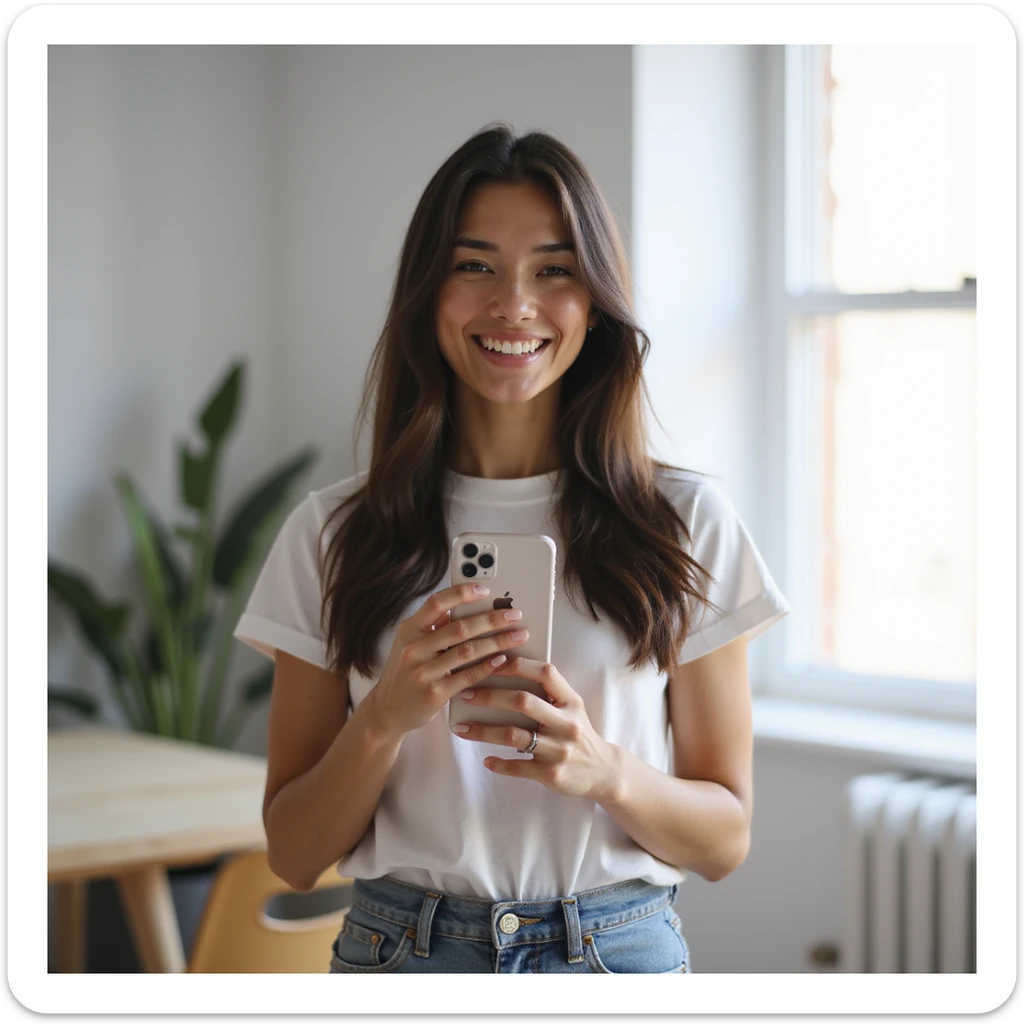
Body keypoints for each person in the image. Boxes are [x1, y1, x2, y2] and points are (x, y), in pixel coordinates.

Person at [234, 124, 790, 974]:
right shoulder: (332, 532)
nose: (514, 304)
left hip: (616, 955)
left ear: (596, 298)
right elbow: (295, 853)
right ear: (428, 291)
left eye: (554, 270)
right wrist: (383, 716)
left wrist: (605, 771)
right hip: (401, 954)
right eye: (475, 265)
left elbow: (724, 840)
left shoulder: (683, 520)